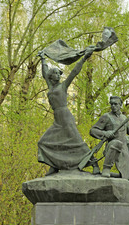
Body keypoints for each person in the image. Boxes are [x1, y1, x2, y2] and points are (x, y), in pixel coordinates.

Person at [37, 47, 100, 176]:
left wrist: (84, 58)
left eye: (59, 74)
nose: (59, 76)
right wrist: (43, 59)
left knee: (77, 142)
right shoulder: (51, 86)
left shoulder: (63, 86)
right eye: (56, 73)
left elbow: (74, 72)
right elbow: (44, 73)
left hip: (66, 117)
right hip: (57, 119)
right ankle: (54, 165)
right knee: (43, 142)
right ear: (52, 76)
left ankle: (94, 163)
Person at [89, 96, 129, 181]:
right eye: (111, 104)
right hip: (112, 147)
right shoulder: (106, 117)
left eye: (115, 104)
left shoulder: (124, 118)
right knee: (116, 143)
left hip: (124, 149)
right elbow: (93, 130)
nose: (113, 106)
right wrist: (105, 133)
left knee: (128, 178)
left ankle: (111, 175)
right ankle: (106, 169)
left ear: (120, 105)